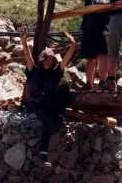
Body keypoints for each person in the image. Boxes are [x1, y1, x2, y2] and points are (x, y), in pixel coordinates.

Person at [20, 31, 77, 159]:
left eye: (50, 59)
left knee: (57, 114)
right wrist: (24, 42)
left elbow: (66, 60)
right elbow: (28, 56)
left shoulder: (56, 73)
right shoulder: (34, 71)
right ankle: (43, 150)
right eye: (45, 59)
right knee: (48, 121)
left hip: (51, 105)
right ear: (41, 60)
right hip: (36, 105)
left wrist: (73, 45)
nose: (48, 62)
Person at [78, 0, 109, 90]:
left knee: (103, 55)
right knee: (91, 58)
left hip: (104, 28)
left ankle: (103, 82)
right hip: (90, 28)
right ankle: (89, 83)